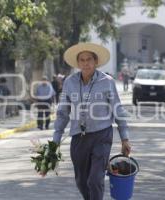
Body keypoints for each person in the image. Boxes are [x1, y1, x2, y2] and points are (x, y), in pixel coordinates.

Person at [49, 43, 131, 200]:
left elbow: (118, 111)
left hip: (102, 136)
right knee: (81, 181)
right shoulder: (69, 82)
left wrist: (124, 138)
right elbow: (62, 113)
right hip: (78, 138)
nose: (85, 63)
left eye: (89, 59)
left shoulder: (107, 81)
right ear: (78, 63)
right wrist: (55, 141)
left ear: (96, 61)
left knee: (95, 180)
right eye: (82, 60)